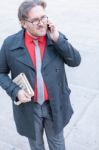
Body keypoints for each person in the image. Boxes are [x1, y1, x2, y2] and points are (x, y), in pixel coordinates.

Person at [0, 0, 81, 150]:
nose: (42, 23)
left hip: (54, 105)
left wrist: (58, 39)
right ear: (23, 23)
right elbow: (1, 72)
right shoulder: (10, 44)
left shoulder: (55, 38)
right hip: (30, 108)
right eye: (35, 20)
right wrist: (15, 91)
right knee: (36, 145)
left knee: (57, 144)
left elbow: (75, 61)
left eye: (43, 17)